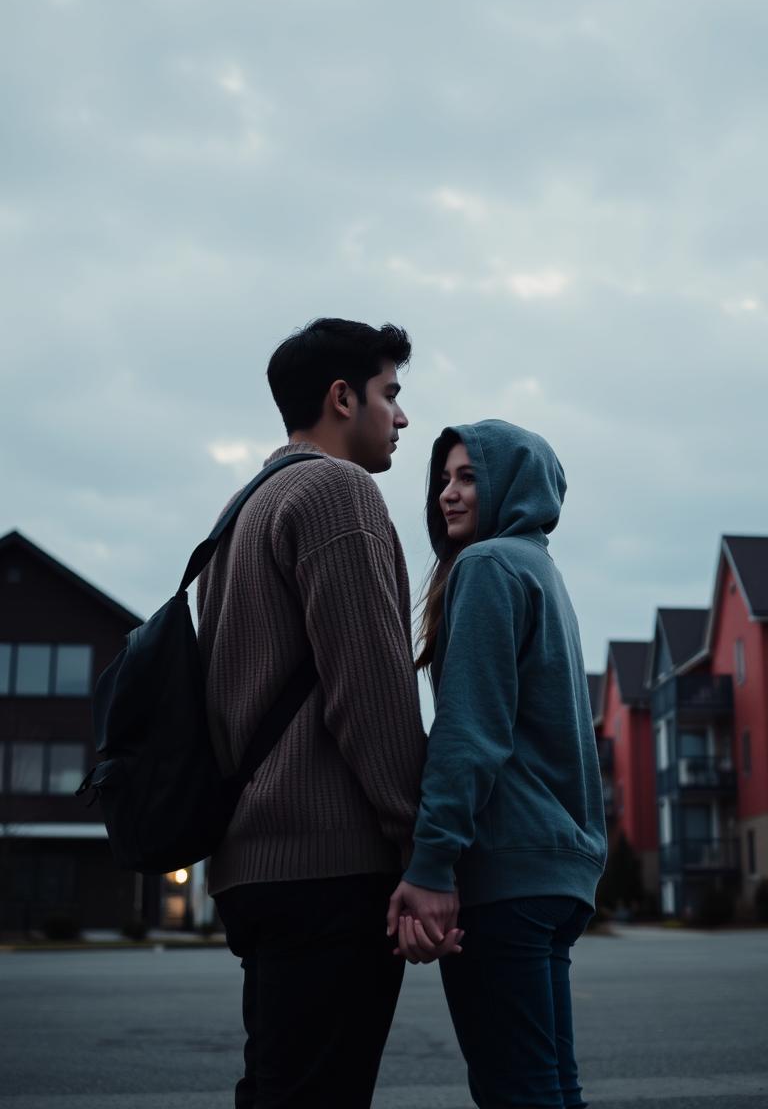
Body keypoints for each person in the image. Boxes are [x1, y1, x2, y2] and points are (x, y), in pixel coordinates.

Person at [197, 318, 456, 1109]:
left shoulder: (240, 512)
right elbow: (372, 692)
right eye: (390, 395)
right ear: (343, 397)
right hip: (331, 868)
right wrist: (423, 852)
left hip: (254, 866)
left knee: (280, 1085)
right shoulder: (337, 492)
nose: (403, 418)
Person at [387, 419, 607, 1109]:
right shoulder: (541, 571)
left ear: (513, 482)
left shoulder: (488, 568)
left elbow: (469, 734)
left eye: (467, 476)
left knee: (518, 1092)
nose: (447, 494)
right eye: (443, 479)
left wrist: (428, 866)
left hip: (506, 871)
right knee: (550, 1087)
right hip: (556, 876)